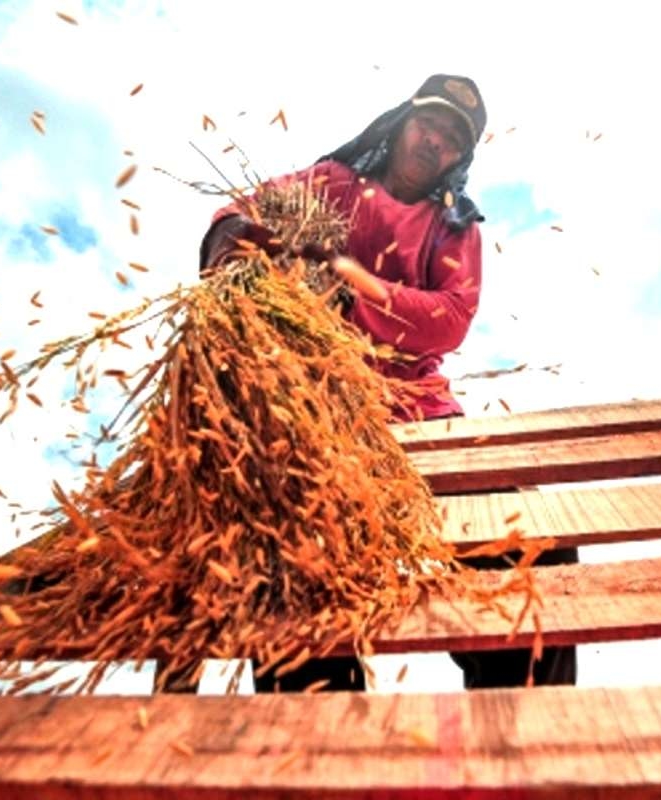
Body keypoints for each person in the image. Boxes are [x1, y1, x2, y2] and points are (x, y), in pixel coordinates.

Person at [199, 74, 576, 691]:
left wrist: (355, 294)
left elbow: (451, 318)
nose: (436, 143)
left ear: (461, 158)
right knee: (292, 552)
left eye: (453, 139)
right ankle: (319, 733)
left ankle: (521, 714)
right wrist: (229, 238)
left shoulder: (455, 226)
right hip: (313, 407)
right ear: (402, 121)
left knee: (527, 538)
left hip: (416, 410)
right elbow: (245, 207)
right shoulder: (330, 185)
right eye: (430, 124)